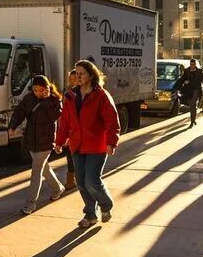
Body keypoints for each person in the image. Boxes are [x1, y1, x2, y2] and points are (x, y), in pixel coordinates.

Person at [55, 60, 120, 228]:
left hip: (96, 145)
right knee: (81, 182)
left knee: (92, 181)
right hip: (77, 145)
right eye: (76, 73)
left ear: (91, 75)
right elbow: (65, 122)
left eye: (81, 73)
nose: (78, 76)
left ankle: (106, 205)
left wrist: (111, 142)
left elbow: (112, 121)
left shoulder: (101, 95)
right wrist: (59, 141)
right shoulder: (70, 96)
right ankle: (90, 215)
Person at [8, 75, 65, 215]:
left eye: (41, 90)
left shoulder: (55, 100)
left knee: (36, 171)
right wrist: (12, 126)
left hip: (45, 141)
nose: (38, 93)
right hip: (31, 139)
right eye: (35, 90)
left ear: (47, 88)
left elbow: (54, 116)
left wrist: (45, 101)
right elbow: (19, 112)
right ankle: (57, 188)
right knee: (43, 168)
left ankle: (31, 203)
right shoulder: (28, 98)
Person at [172, 58, 203, 128]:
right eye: (191, 64)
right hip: (188, 91)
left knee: (192, 104)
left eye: (193, 64)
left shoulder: (199, 72)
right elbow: (181, 80)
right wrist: (176, 87)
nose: (192, 66)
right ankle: (193, 119)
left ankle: (192, 121)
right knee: (192, 106)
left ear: (195, 64)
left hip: (196, 90)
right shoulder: (186, 71)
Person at [61, 70, 79, 190]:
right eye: (70, 79)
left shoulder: (81, 92)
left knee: (77, 155)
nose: (72, 82)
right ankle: (70, 180)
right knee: (69, 154)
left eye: (74, 79)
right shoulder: (66, 91)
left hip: (77, 128)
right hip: (68, 127)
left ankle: (78, 178)